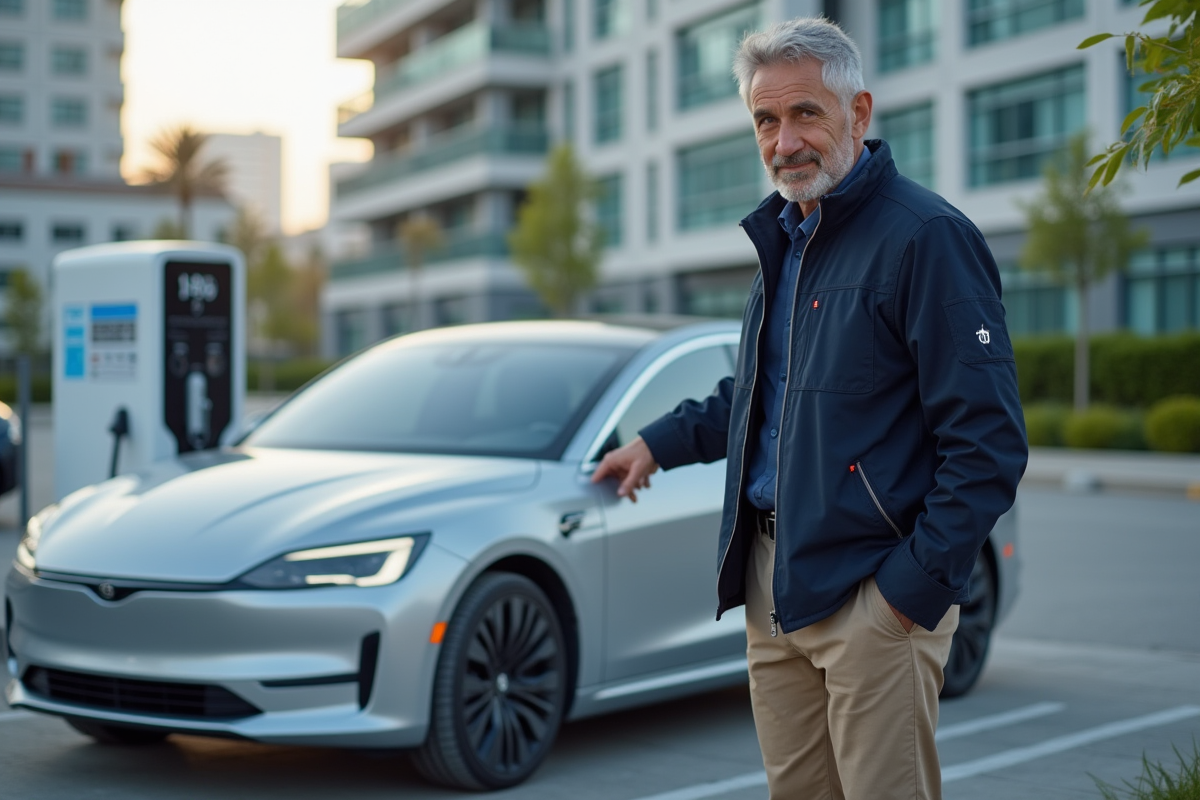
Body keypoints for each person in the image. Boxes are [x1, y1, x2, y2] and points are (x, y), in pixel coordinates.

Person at [591, 16, 1028, 800]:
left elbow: (989, 443)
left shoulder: (927, 238)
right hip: (773, 585)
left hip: (873, 593)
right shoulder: (790, 238)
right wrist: (654, 443)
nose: (784, 140)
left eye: (805, 114)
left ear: (858, 113)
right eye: (766, 119)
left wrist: (906, 595)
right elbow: (764, 392)